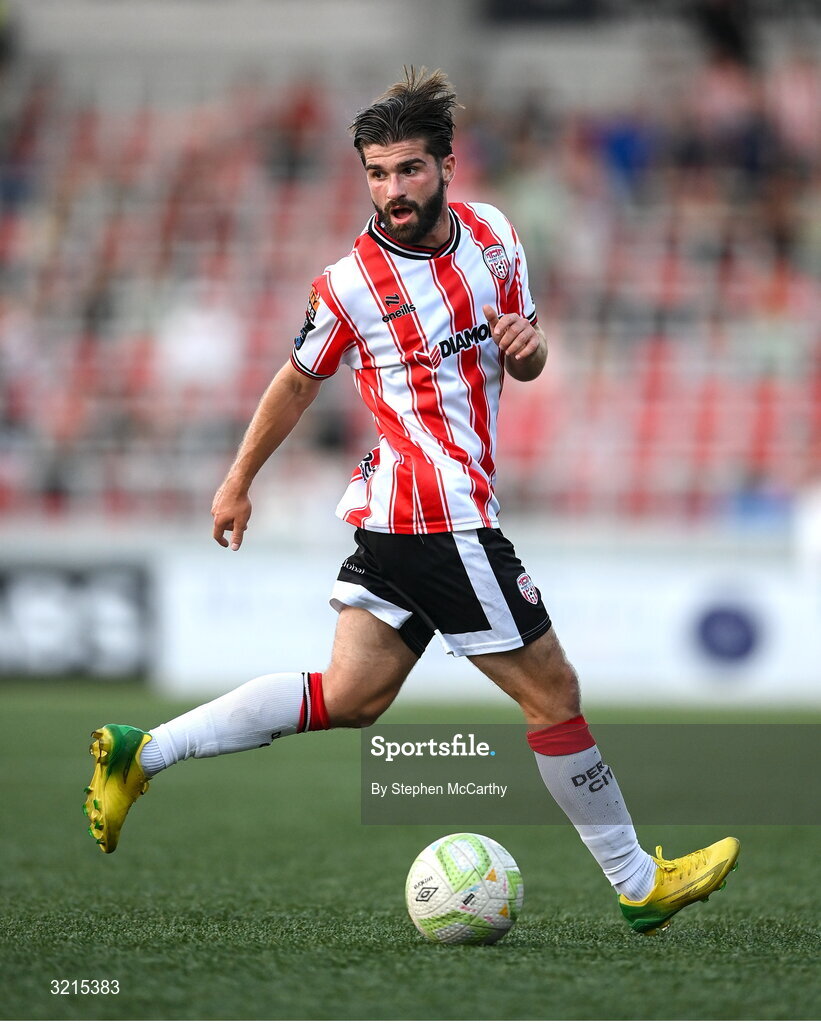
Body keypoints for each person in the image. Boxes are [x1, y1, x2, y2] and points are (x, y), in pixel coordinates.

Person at [83, 68, 739, 935]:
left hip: (405, 516)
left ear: (446, 166)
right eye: (377, 174)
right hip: (436, 516)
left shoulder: (496, 236)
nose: (392, 190)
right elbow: (294, 381)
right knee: (555, 694)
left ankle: (145, 752)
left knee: (353, 697)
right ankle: (634, 883)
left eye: (409, 171)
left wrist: (528, 344)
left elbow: (525, 359)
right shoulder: (349, 282)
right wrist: (238, 480)